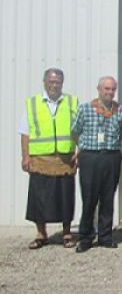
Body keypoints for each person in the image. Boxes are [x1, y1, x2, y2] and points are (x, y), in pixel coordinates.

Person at [19, 68, 78, 249]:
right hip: (41, 160)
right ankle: (41, 233)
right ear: (44, 82)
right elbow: (25, 132)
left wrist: (80, 151)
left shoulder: (71, 102)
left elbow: (79, 129)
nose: (54, 85)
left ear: (62, 83)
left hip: (64, 159)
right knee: (39, 197)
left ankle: (66, 233)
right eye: (51, 81)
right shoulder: (33, 104)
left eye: (58, 82)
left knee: (65, 197)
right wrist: (25, 156)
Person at [72, 76, 122, 252]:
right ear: (99, 89)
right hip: (91, 156)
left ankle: (105, 236)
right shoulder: (85, 109)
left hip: (111, 156)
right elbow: (75, 130)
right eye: (106, 89)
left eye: (112, 89)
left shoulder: (120, 110)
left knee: (108, 197)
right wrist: (80, 151)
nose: (110, 93)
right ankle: (86, 237)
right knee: (89, 198)